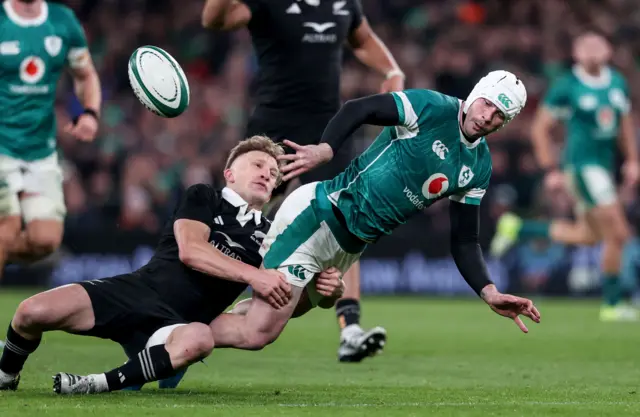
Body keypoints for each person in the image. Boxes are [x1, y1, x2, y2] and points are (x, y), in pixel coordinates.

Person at [188, 70, 540, 355]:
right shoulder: (432, 107)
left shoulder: (478, 166)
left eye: (499, 116)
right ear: (477, 93)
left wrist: (489, 291)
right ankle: (170, 339)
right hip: (320, 215)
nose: (487, 117)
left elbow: (464, 239)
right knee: (260, 331)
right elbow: (359, 108)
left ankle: (188, 337)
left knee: (276, 312)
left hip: (349, 247)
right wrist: (326, 149)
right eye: (487, 105)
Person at [0, 136, 343, 393]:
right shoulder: (204, 196)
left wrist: (323, 295)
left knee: (200, 338)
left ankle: (98, 382)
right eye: (257, 165)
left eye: (273, 174)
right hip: (134, 292)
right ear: (230, 173)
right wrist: (256, 274)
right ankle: (6, 375)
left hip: (178, 325)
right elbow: (191, 251)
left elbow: (282, 304)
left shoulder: (274, 238)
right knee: (31, 312)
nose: (268, 174)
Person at [202, 0, 405, 363]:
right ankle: (189, 315)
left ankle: (350, 330)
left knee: (348, 219)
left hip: (328, 134)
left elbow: (362, 40)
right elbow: (214, 19)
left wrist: (391, 69)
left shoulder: (344, 4)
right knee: (234, 224)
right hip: (273, 131)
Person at [490, 33, 640, 322]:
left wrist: (632, 161)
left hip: (604, 168)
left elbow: (624, 125)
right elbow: (540, 128)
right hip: (582, 168)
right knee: (618, 234)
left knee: (588, 236)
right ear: (575, 53)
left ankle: (519, 228)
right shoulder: (567, 86)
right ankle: (611, 304)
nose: (593, 51)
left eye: (598, 45)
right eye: (586, 46)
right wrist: (551, 169)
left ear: (608, 50)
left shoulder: (617, 83)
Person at [0, 0, 101, 282]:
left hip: (39, 150)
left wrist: (89, 113)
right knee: (5, 228)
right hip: (2, 143)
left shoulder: (62, 21)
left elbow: (85, 74)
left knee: (45, 240)